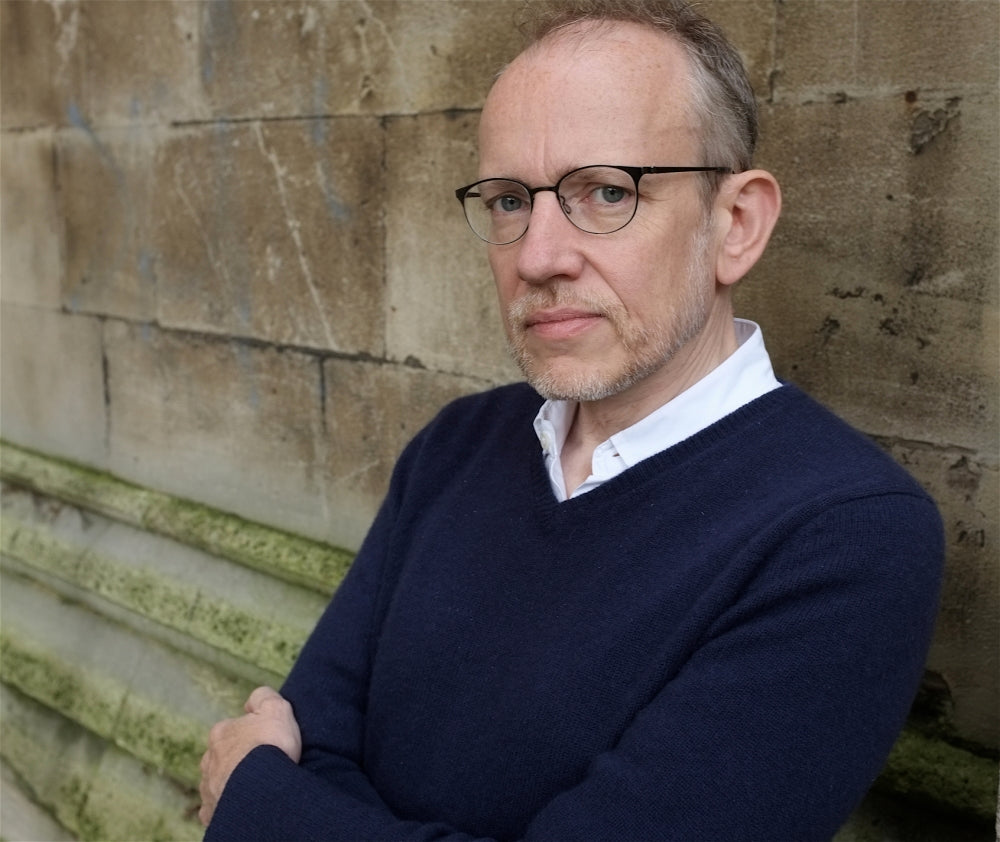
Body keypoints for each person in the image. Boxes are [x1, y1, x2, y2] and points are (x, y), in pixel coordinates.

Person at [198, 2, 944, 839]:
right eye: (510, 200)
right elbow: (313, 738)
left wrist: (264, 807)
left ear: (734, 224)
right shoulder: (458, 445)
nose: (537, 256)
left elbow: (274, 784)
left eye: (606, 191)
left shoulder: (845, 536)